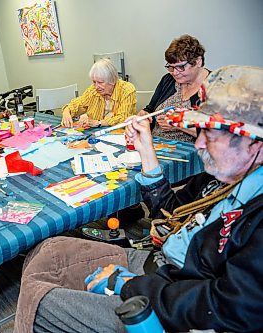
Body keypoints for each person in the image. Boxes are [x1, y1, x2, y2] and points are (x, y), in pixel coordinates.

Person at [14, 65, 263, 333]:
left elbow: (227, 307)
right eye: (200, 133)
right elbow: (169, 214)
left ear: (255, 145)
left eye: (211, 135)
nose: (199, 144)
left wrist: (132, 285)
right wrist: (146, 149)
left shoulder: (255, 214)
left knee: (39, 304)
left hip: (174, 305)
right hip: (161, 266)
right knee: (48, 250)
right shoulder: (219, 180)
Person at [138, 34, 211, 142]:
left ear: (198, 62)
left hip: (190, 153)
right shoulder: (168, 80)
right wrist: (145, 115)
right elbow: (150, 109)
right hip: (157, 145)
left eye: (180, 67)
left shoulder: (215, 87)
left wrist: (178, 125)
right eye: (171, 67)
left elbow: (215, 133)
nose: (175, 73)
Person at [61, 58, 136, 128]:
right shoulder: (93, 89)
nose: (96, 86)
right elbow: (78, 103)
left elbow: (123, 118)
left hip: (120, 133)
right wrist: (66, 111)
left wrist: (98, 123)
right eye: (94, 82)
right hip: (97, 132)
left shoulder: (127, 90)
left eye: (100, 82)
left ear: (112, 81)